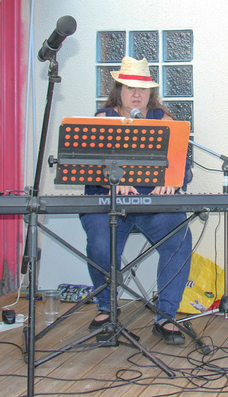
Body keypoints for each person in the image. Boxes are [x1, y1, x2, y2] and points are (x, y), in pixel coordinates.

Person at [81, 56, 193, 346]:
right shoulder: (102, 119)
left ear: (150, 93)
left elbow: (184, 168)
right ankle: (107, 308)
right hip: (107, 203)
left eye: (142, 89)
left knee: (179, 239)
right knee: (101, 244)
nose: (136, 94)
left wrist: (172, 180)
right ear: (119, 90)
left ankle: (166, 316)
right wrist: (112, 181)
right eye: (130, 88)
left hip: (151, 204)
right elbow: (89, 169)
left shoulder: (164, 121)